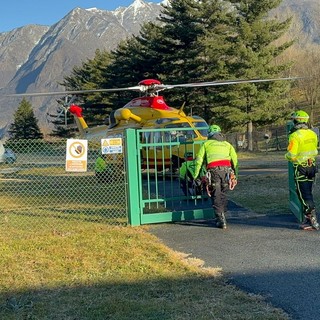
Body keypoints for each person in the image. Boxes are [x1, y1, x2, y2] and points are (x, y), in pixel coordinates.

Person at [193, 125, 238, 229]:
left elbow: (199, 161)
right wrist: (236, 175)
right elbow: (235, 161)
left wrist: (196, 176)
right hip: (226, 171)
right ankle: (223, 215)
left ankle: (220, 218)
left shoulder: (206, 144)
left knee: (215, 194)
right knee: (223, 193)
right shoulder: (227, 144)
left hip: (214, 171)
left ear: (209, 134)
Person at [285, 110, 319, 230]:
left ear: (296, 121)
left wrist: (287, 155)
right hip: (312, 166)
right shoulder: (313, 134)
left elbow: (291, 155)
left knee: (304, 195)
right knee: (308, 192)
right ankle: (308, 219)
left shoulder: (294, 135)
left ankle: (313, 219)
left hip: (301, 167)